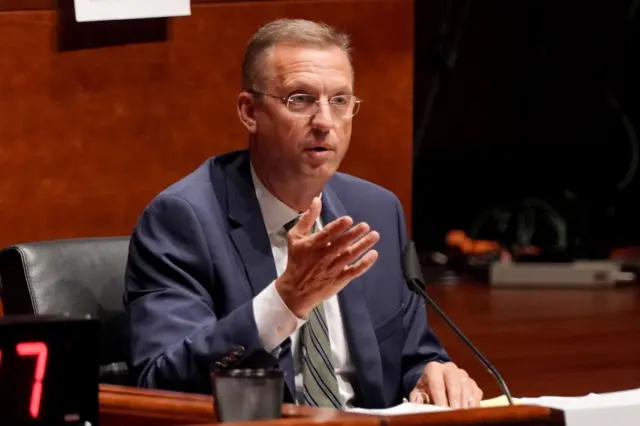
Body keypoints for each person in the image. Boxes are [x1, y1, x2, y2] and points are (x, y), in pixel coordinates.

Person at [124, 18, 483, 410]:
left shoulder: (377, 210)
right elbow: (160, 380)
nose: (325, 122)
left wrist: (434, 371)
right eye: (301, 99)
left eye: (340, 101)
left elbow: (413, 356)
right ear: (249, 112)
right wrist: (284, 302)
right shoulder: (184, 220)